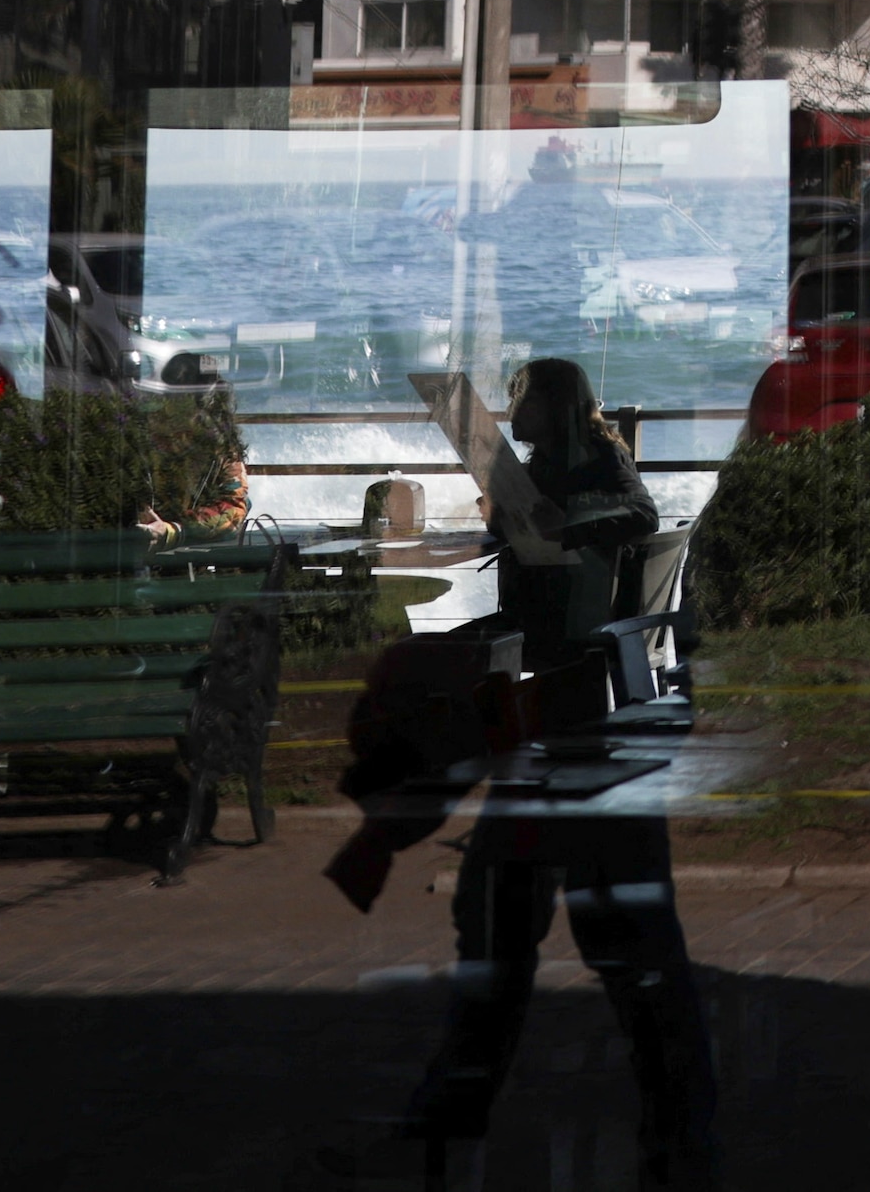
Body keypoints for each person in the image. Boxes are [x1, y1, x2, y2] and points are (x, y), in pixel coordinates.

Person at [337, 357, 717, 1185]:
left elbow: (635, 513)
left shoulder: (594, 463)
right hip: (563, 713)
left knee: (562, 925)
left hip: (577, 714)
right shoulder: (546, 467)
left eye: (525, 399)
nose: (515, 412)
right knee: (527, 920)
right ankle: (661, 1119)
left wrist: (559, 521)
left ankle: (668, 1118)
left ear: (557, 405)